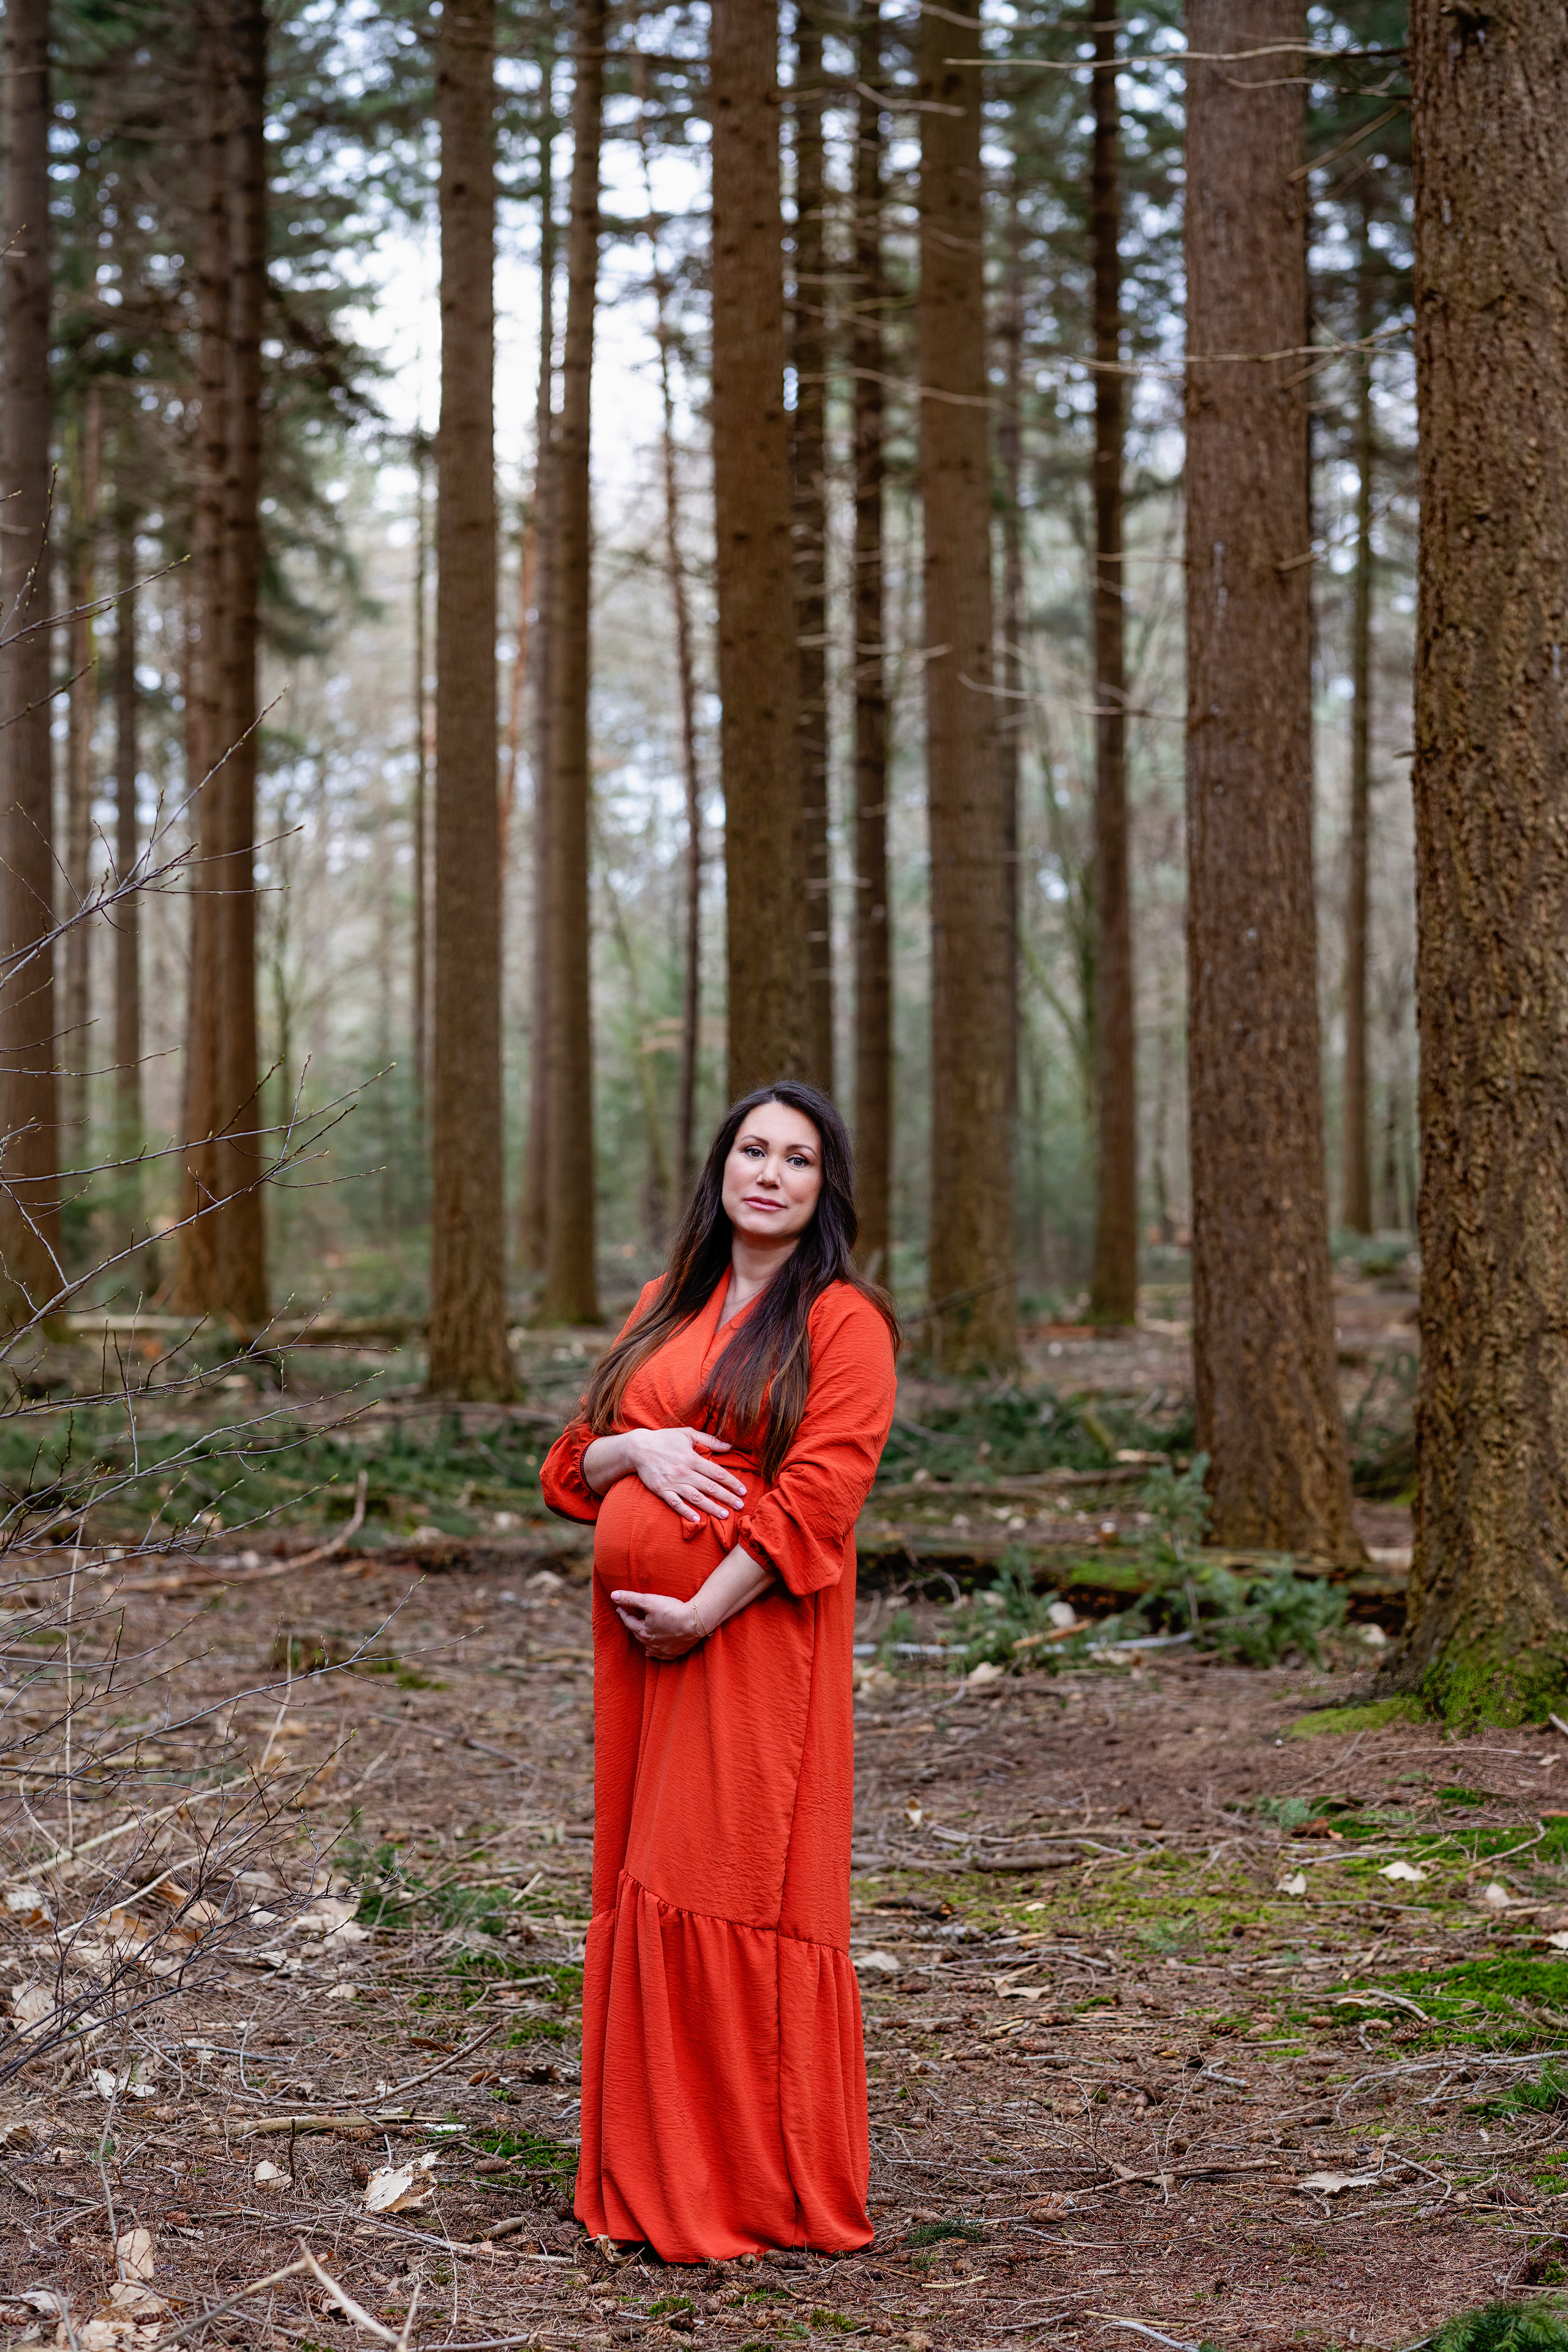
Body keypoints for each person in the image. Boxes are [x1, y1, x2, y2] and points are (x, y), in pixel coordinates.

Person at [540, 1079, 899, 2263]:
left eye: (798, 1158)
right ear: (722, 1167)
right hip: (639, 1656)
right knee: (645, 1871)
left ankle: (743, 2184)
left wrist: (701, 1609)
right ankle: (648, 2172)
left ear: (824, 1189)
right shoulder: (664, 1304)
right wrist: (636, 1449)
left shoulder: (844, 1323)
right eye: (754, 1149)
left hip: (751, 1641)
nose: (771, 1174)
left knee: (721, 1878)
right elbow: (567, 1466)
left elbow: (822, 1498)